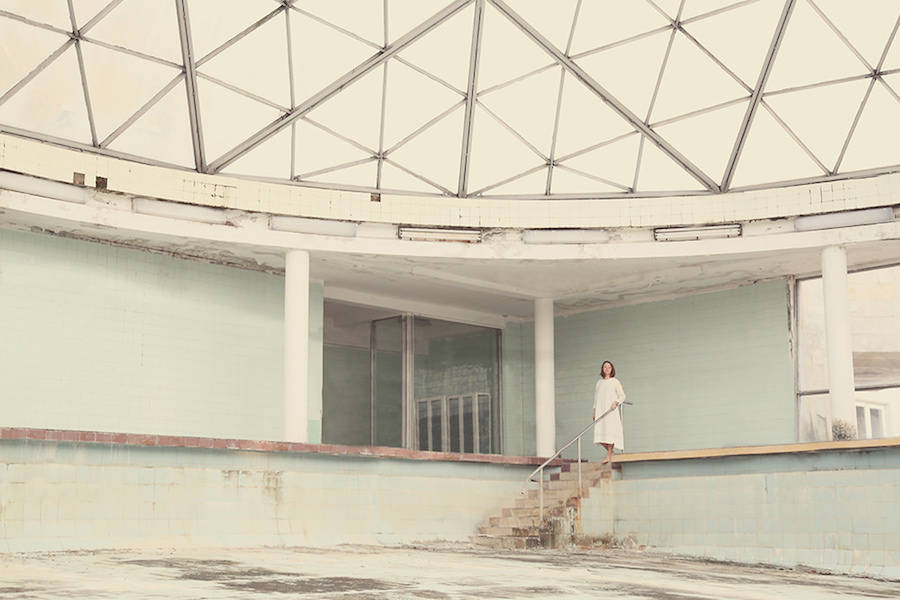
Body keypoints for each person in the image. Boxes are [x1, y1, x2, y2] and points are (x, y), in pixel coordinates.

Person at [593, 360, 626, 464]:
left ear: (612, 369)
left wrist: (616, 402)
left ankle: (608, 455)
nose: (607, 369)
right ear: (602, 369)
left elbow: (622, 396)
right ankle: (610, 452)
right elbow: (596, 399)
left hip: (610, 411)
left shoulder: (615, 381)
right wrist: (594, 411)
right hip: (600, 411)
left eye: (609, 367)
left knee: (610, 433)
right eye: (605, 367)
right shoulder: (599, 383)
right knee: (600, 437)